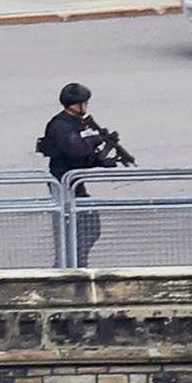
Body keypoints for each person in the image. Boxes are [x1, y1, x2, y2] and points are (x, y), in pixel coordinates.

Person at [37, 83, 134, 265]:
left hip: (72, 180)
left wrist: (101, 160)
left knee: (86, 227)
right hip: (64, 183)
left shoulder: (74, 123)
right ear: (76, 104)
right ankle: (71, 263)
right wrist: (97, 139)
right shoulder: (61, 125)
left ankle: (76, 261)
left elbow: (79, 157)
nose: (85, 106)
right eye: (83, 103)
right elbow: (75, 149)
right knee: (80, 227)